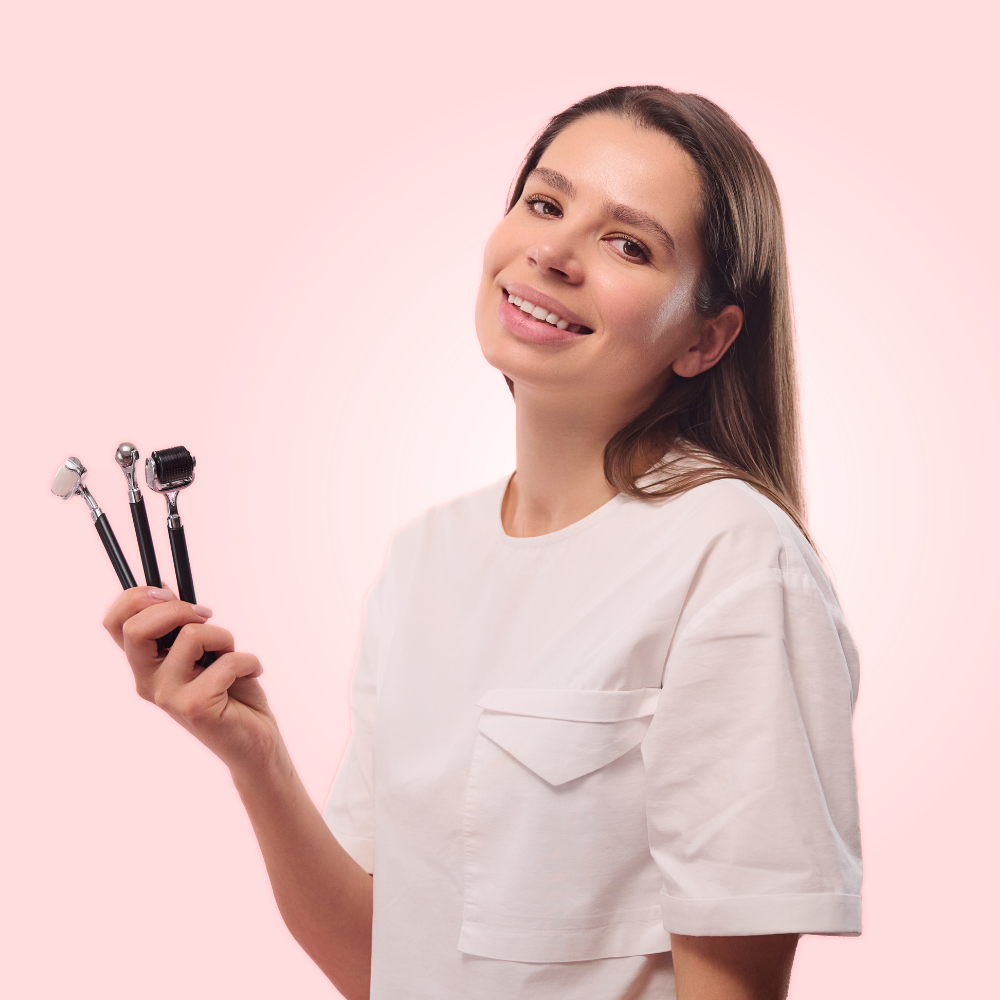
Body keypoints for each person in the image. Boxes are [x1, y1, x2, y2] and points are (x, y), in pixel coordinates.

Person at [103, 85, 862, 1000]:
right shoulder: (426, 558)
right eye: (545, 203)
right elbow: (379, 966)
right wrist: (253, 759)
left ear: (706, 338)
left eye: (628, 244)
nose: (552, 251)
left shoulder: (734, 556)